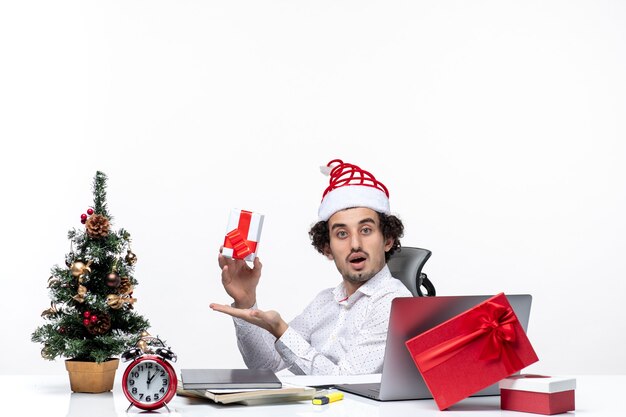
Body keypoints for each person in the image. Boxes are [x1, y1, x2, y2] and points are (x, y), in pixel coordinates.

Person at [210, 159, 412, 375]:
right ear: (327, 248)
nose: (355, 244)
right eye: (342, 234)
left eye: (365, 230)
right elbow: (269, 367)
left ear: (388, 240)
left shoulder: (394, 302)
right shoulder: (324, 302)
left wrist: (281, 330)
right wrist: (246, 302)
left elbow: (346, 382)